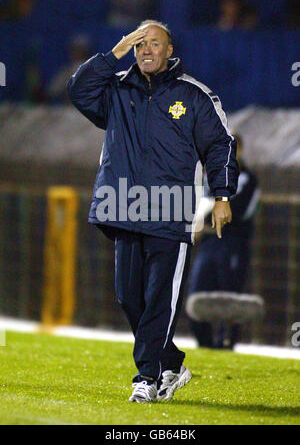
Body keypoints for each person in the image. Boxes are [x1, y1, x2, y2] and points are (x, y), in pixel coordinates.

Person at [67, 20, 239, 403]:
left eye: (154, 44)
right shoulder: (116, 90)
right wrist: (114, 52)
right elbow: (78, 90)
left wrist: (223, 196)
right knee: (130, 297)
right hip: (124, 207)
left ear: (169, 50)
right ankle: (171, 362)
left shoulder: (193, 95)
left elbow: (220, 146)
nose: (146, 50)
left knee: (159, 297)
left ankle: (147, 377)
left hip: (171, 213)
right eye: (140, 44)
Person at [186, 134, 260, 349]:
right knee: (198, 291)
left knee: (229, 293)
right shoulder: (211, 176)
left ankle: (226, 341)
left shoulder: (247, 178)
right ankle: (204, 342)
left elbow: (237, 211)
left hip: (233, 242)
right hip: (209, 244)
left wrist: (205, 220)